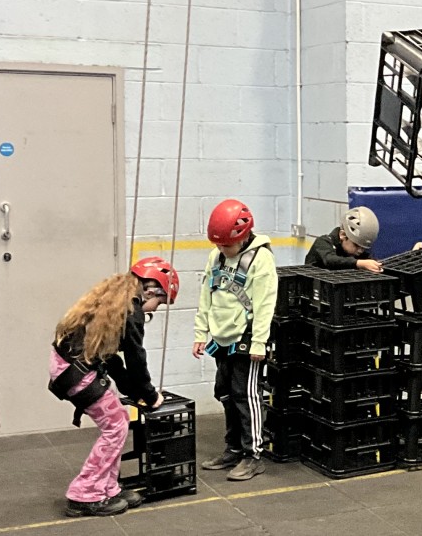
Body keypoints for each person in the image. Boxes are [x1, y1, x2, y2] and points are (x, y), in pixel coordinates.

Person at [48, 256, 180, 517]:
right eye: (160, 301)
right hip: (75, 371)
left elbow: (111, 359)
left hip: (69, 366)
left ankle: (108, 488)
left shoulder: (116, 301)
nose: (155, 309)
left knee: (117, 420)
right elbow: (135, 358)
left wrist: (134, 391)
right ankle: (84, 493)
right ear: (151, 289)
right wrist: (150, 395)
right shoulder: (132, 311)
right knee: (116, 425)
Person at [192, 199, 277, 482]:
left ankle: (253, 455)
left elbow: (265, 304)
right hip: (221, 337)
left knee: (246, 395)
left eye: (226, 245)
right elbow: (207, 296)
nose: (221, 250)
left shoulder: (260, 259)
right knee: (225, 392)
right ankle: (233, 448)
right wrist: (200, 333)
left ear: (242, 237)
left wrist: (259, 343)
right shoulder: (215, 256)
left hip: (247, 338)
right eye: (217, 244)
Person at [305, 205, 384, 272]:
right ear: (342, 235)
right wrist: (359, 263)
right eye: (356, 245)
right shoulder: (323, 243)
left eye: (363, 248)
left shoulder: (357, 253)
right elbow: (330, 260)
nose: (360, 250)